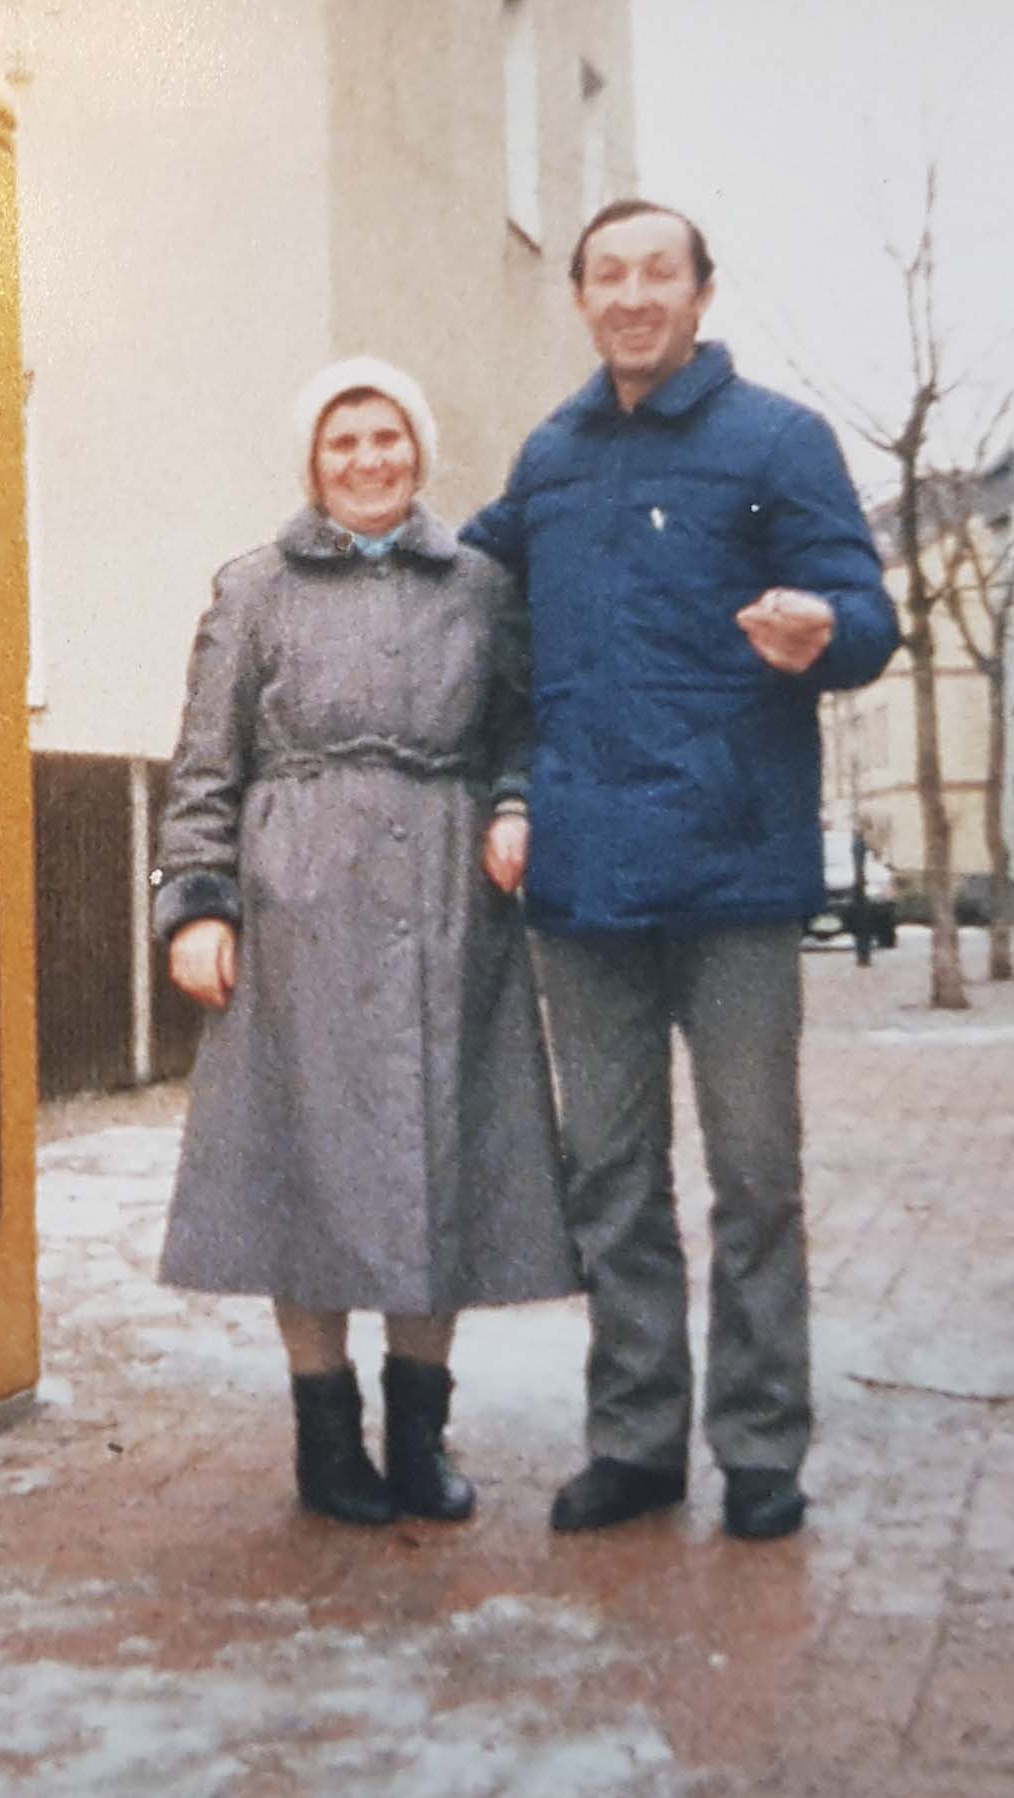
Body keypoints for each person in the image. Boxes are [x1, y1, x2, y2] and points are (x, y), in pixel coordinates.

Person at [463, 200, 901, 1541]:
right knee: (611, 1179)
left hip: (736, 873)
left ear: (702, 294)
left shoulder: (777, 442)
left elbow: (866, 613)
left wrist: (827, 627)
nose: (634, 294)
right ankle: (636, 1441)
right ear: (582, 298)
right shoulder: (551, 457)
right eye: (609, 274)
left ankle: (761, 1449)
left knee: (756, 1179)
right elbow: (471, 601)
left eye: (661, 272)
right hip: (585, 879)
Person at [151, 356, 579, 1529]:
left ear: (419, 452)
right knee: (308, 1160)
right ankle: (327, 1438)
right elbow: (205, 762)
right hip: (297, 908)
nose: (368, 459)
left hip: (450, 907)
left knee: (439, 1155)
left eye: (387, 437)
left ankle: (420, 1440)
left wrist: (516, 802)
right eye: (342, 442)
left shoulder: (481, 586)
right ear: (311, 463)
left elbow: (522, 728)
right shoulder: (254, 589)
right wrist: (198, 904)